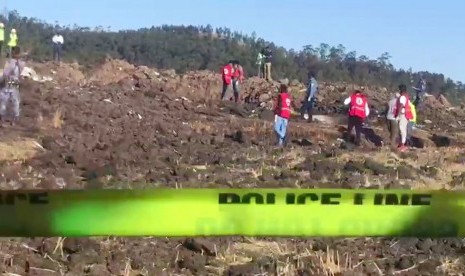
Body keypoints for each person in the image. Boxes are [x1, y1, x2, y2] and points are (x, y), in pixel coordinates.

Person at [0, 46, 24, 125]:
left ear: (12, 53)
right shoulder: (21, 63)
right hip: (15, 83)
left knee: (4, 101)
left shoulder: (10, 63)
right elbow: (21, 75)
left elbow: (5, 74)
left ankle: (2, 118)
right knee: (15, 101)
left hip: (8, 83)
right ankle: (15, 118)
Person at [393, 84, 414, 152]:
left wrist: (398, 115)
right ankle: (402, 144)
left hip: (403, 115)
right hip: (406, 115)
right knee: (402, 130)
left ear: (401, 90)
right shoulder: (406, 97)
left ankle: (403, 145)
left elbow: (401, 106)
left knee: (402, 130)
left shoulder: (402, 97)